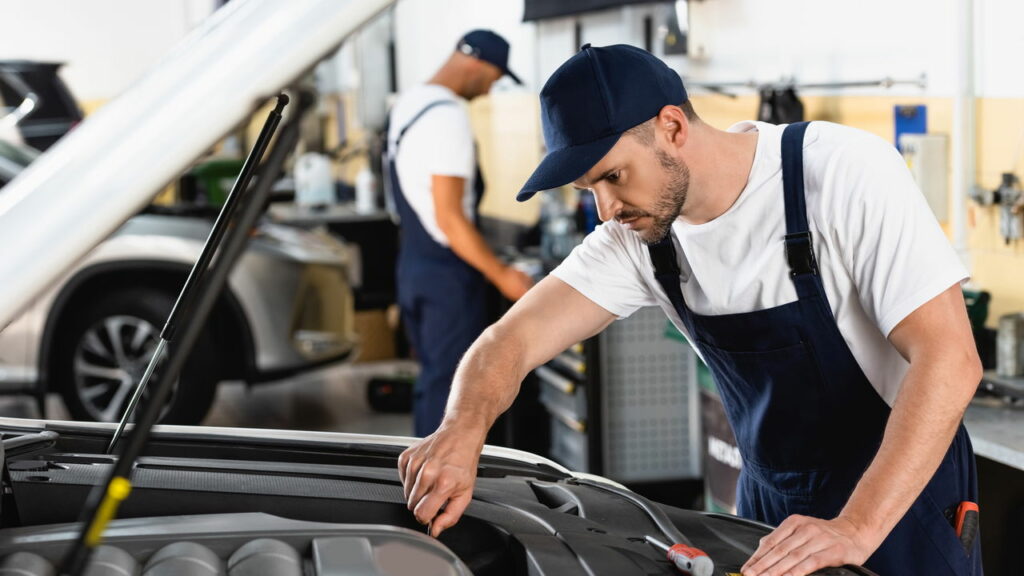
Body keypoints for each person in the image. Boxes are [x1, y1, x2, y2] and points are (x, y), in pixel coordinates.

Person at [397, 44, 983, 576]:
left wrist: (856, 527)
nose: (605, 209)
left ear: (672, 126)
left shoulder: (838, 173)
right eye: (587, 189)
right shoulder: (641, 239)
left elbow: (950, 359)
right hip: (771, 507)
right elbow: (509, 342)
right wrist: (460, 429)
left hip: (902, 502)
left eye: (613, 176)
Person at [386, 30, 534, 437]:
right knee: (453, 394)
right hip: (446, 276)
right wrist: (502, 275)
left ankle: (420, 487)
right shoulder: (446, 117)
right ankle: (441, 492)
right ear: (476, 62)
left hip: (414, 266)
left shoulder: (411, 103)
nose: (488, 91)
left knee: (434, 382)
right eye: (493, 77)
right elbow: (450, 219)